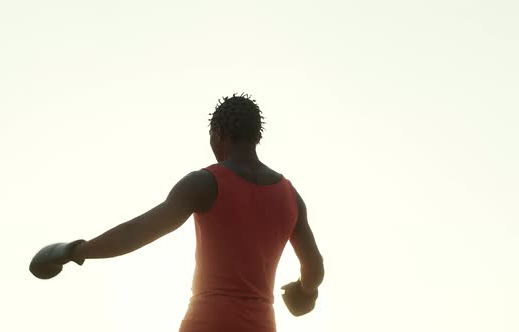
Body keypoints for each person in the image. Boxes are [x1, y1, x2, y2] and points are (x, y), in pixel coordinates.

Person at [29, 92, 325, 331]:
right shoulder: (290, 196)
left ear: (218, 134)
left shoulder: (205, 182)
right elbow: (314, 268)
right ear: (255, 136)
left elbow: (140, 231)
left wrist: (77, 251)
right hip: (262, 324)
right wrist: (304, 293)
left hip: (208, 320)